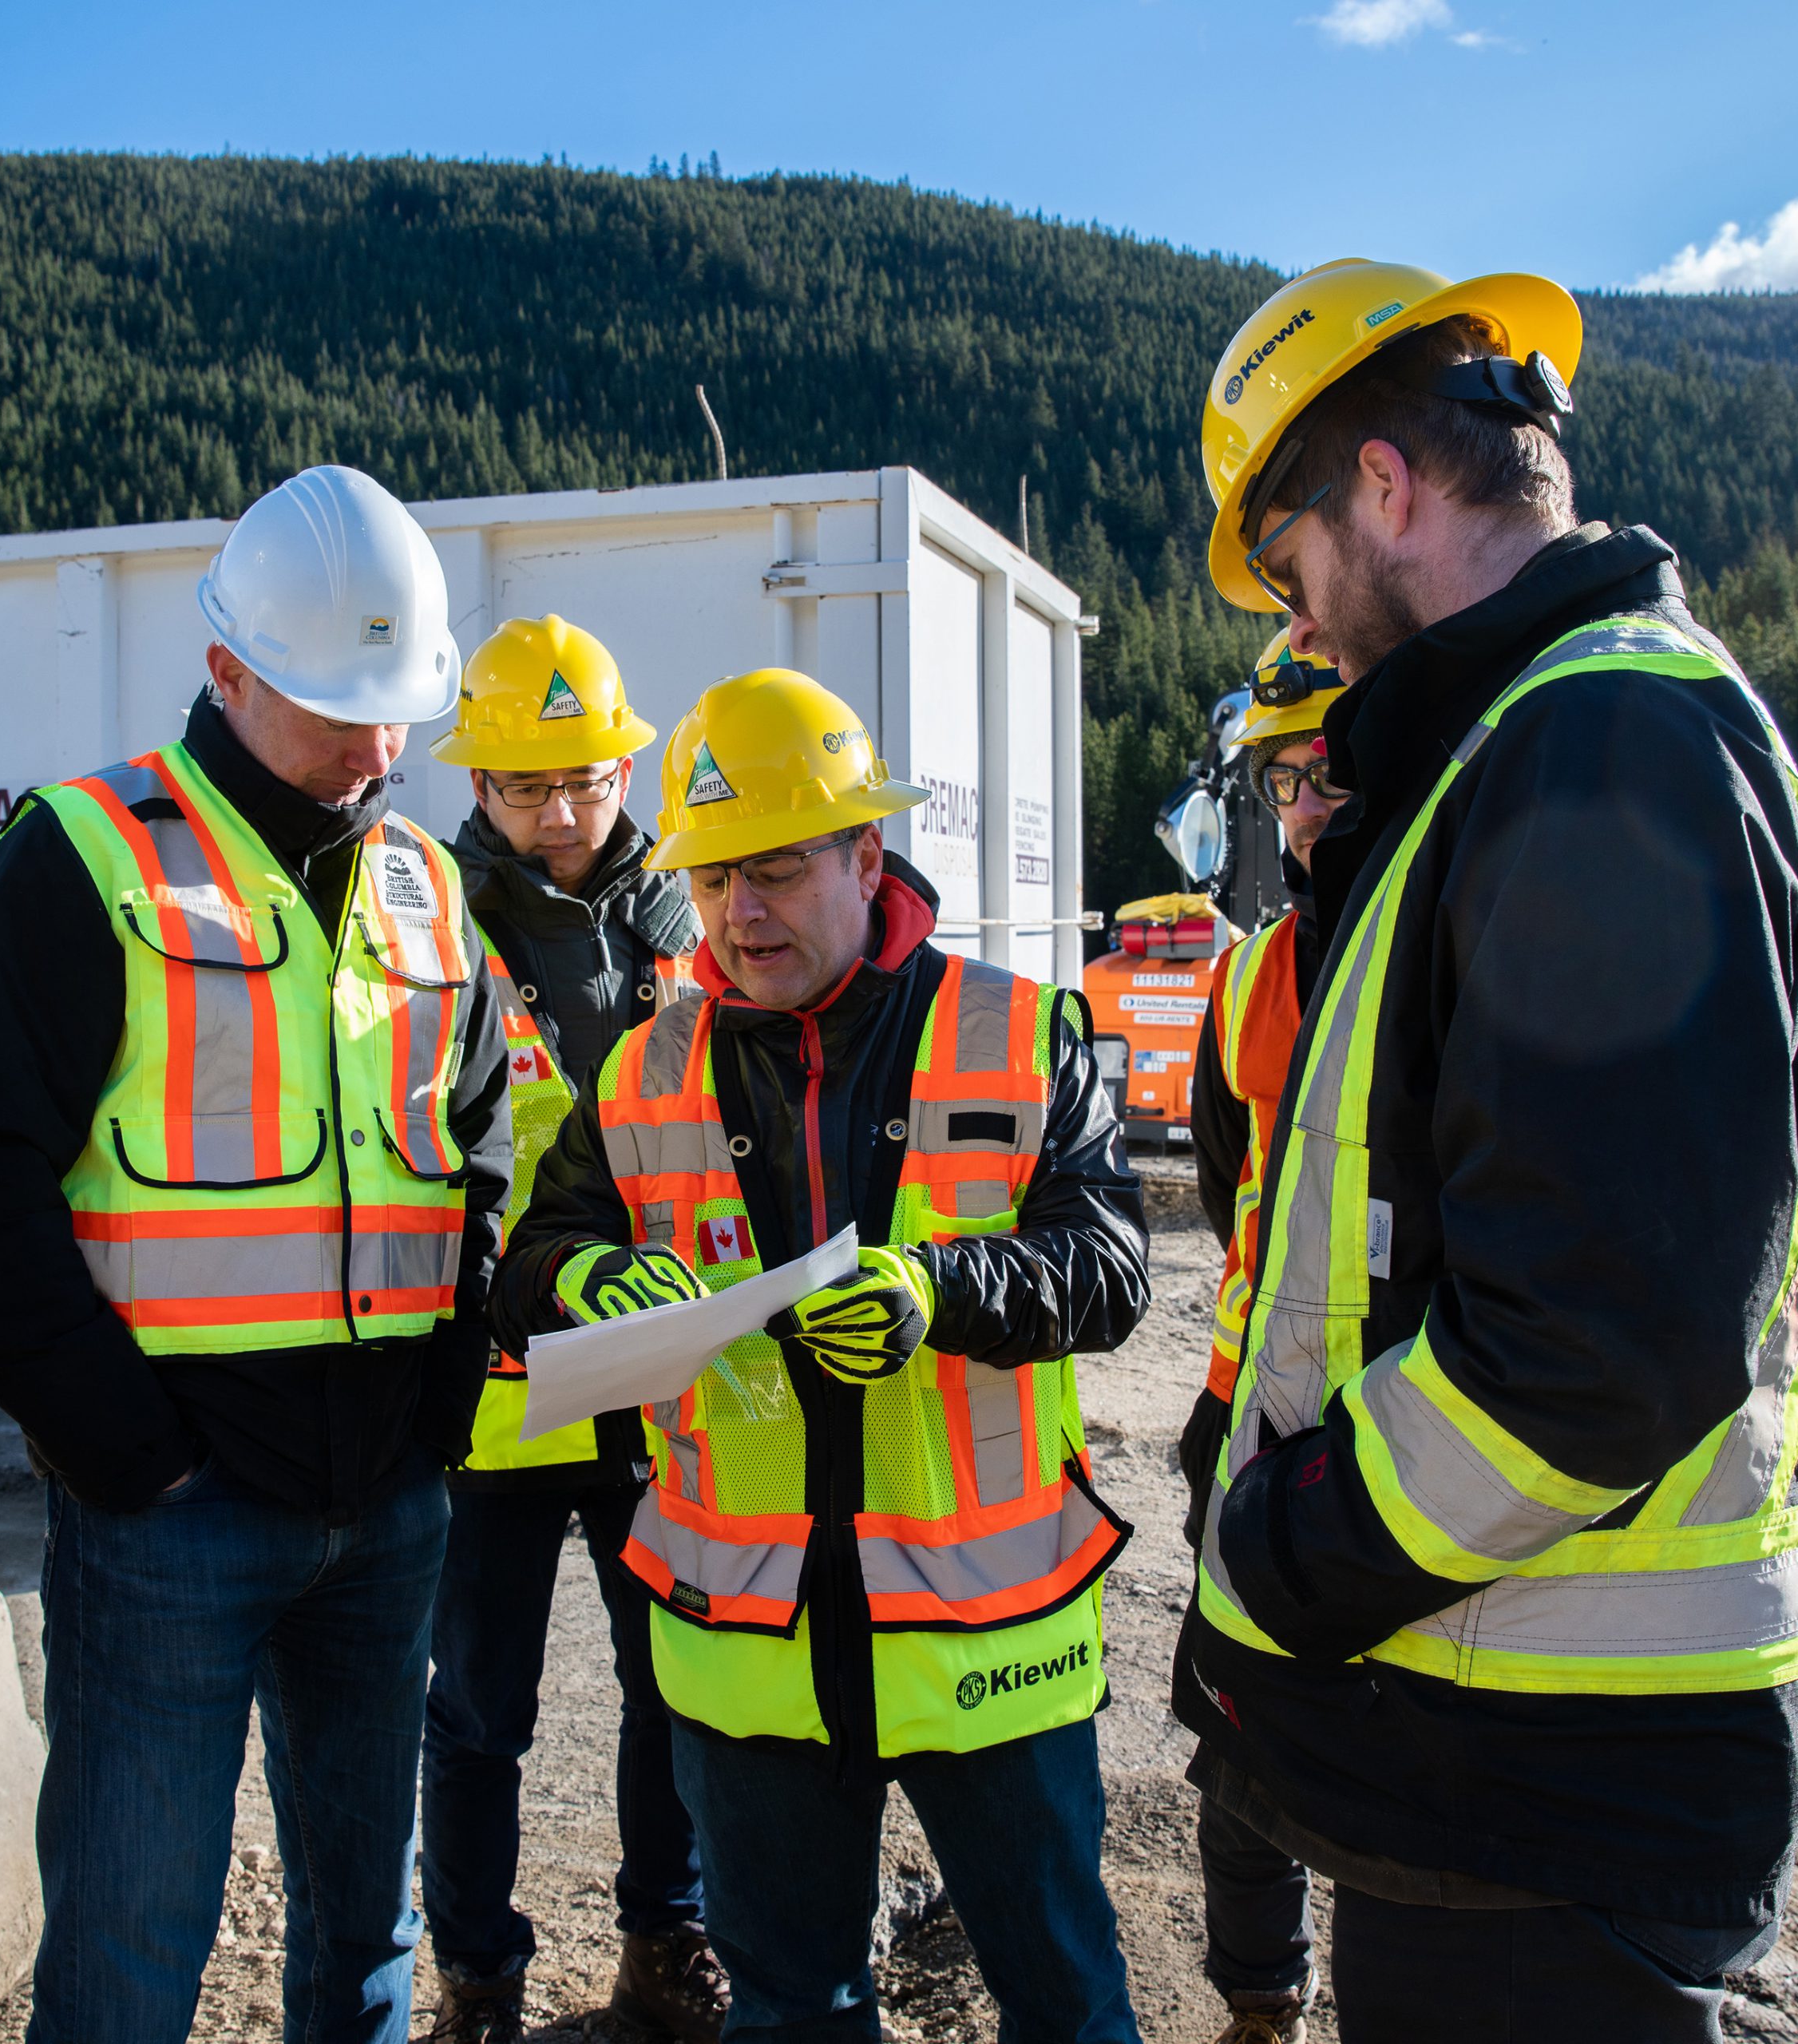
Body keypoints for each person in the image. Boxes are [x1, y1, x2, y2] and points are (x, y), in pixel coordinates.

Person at [1173, 258, 1798, 2039]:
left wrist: (1283, 1549)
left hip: (1549, 1781)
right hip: (1509, 1752)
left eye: (1288, 569)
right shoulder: (1533, 745)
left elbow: (1594, 1350)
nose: (1303, 631)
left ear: (1382, 486)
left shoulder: (1601, 744)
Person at [485, 668, 1153, 2043]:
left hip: (987, 1648)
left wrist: (938, 1288)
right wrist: (586, 1275)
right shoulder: (641, 1067)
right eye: (713, 877)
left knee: (1065, 2007)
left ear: (864, 855)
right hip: (747, 1653)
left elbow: (1110, 1268)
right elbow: (528, 1268)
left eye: (777, 868)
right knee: (788, 2013)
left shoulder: (1019, 1032)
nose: (739, 913)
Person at [0, 464, 513, 2044]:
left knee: (367, 1930)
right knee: (130, 1950)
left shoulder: (427, 884)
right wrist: (126, 1452)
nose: (378, 752)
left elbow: (476, 1147)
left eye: (399, 714)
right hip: (170, 1518)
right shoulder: (84, 857)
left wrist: (442, 1405)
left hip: (387, 1502)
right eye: (340, 711)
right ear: (228, 671)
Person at [418, 615, 723, 2042]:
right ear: (477, 784)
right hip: (497, 1383)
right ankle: (478, 1978)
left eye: (584, 781)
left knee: (675, 1687)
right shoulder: (426, 921)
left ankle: (666, 1945)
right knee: (481, 1711)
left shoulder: (695, 913)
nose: (558, 812)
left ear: (625, 772)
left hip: (658, 1376)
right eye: (526, 785)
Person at [1179, 632, 1349, 2044]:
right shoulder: (1246, 983)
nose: (1305, 807)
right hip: (1246, 1409)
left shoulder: (1481, 928)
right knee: (1238, 1745)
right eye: (1284, 779)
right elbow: (1230, 1184)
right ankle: (1259, 2004)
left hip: (1428, 1420)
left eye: (1332, 769)